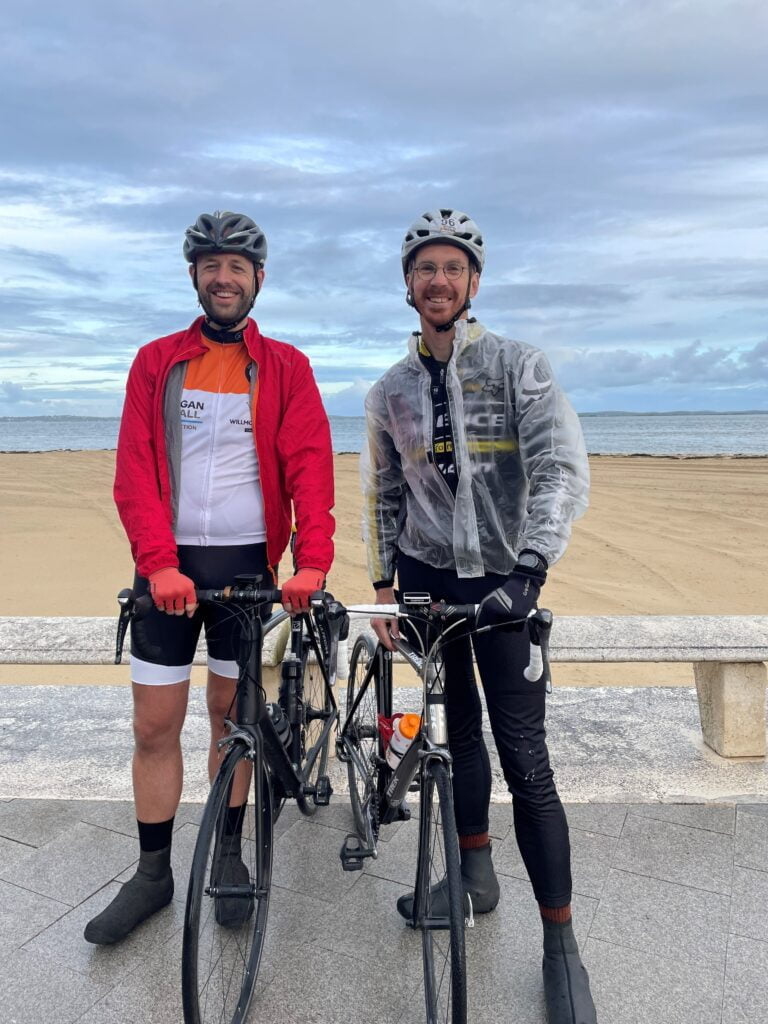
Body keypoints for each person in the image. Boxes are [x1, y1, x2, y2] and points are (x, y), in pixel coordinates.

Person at [362, 209, 595, 1023]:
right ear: (408, 285)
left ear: (474, 282)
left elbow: (559, 468)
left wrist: (531, 570)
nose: (439, 281)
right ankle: (472, 875)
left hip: (504, 587)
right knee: (456, 736)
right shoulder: (389, 391)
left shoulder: (517, 366)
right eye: (425, 269)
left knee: (526, 761)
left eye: (452, 268)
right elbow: (383, 493)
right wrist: (383, 586)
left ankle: (561, 945)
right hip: (427, 583)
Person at [84, 211, 334, 944]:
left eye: (237, 268)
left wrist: (312, 561)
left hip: (246, 568)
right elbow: (135, 470)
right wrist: (159, 562)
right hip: (166, 571)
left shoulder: (285, 366)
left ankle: (228, 851)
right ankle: (152, 874)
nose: (224, 279)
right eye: (212, 266)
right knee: (154, 724)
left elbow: (310, 465)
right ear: (194, 275)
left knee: (231, 717)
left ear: (259, 279)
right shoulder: (158, 361)